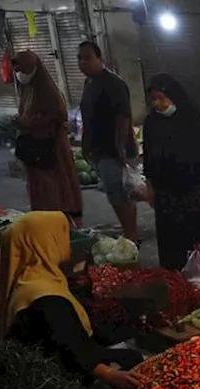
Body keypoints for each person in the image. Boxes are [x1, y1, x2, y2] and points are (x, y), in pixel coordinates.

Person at [0, 212, 142, 389]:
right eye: (62, 233)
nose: (66, 239)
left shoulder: (29, 275)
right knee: (133, 358)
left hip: (54, 355)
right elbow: (68, 346)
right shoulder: (45, 296)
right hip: (59, 372)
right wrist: (110, 375)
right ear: (47, 241)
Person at [142, 74, 200, 272]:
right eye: (153, 99)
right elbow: (148, 157)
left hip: (198, 189)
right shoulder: (151, 123)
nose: (157, 103)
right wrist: (150, 186)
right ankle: (177, 277)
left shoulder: (193, 118)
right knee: (173, 241)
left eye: (161, 98)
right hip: (167, 192)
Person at [78, 40, 140, 242]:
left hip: (115, 151)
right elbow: (88, 115)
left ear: (100, 58)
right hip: (100, 149)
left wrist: (120, 147)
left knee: (121, 195)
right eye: (79, 58)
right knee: (116, 194)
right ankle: (129, 230)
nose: (82, 62)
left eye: (88, 58)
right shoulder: (89, 84)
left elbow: (123, 116)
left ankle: (132, 234)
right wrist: (85, 142)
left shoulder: (113, 83)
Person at [13, 51, 82, 223]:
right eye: (17, 69)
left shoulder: (48, 91)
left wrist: (27, 122)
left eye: (22, 69)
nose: (18, 73)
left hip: (51, 147)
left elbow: (57, 116)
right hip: (34, 147)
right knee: (40, 188)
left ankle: (61, 219)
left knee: (55, 186)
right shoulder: (27, 90)